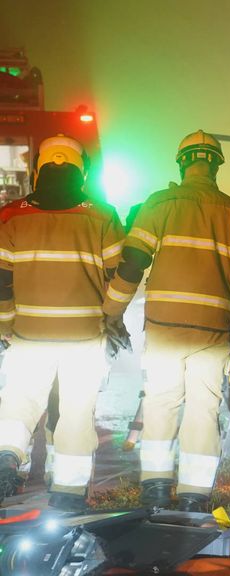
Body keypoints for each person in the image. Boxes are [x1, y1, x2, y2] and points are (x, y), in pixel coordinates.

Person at [102, 130, 230, 512]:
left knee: (160, 404)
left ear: (182, 162)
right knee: (203, 409)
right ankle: (194, 494)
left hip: (164, 328)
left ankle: (156, 488)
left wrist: (111, 311)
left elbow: (132, 264)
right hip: (212, 332)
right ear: (217, 166)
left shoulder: (159, 204)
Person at [0, 134, 126, 512]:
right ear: (81, 171)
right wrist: (112, 317)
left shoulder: (10, 215)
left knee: (19, 403)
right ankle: (68, 494)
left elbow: (1, 278)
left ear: (38, 170)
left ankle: (7, 456)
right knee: (75, 411)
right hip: (84, 337)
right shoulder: (102, 214)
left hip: (28, 335)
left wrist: (5, 324)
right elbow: (119, 272)